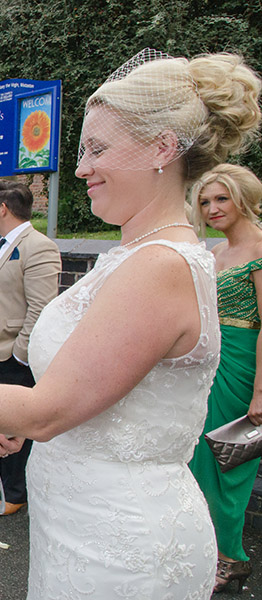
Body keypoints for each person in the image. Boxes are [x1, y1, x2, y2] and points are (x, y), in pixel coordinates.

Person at [0, 50, 262, 597]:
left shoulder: (159, 266)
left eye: (98, 149)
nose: (81, 167)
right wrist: (12, 421)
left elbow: (49, 409)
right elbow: (85, 390)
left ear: (162, 148)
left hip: (121, 547)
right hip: (78, 528)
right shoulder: (136, 254)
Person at [0, 180, 61, 515]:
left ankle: (13, 493)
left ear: (2, 207)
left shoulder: (38, 246)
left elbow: (41, 307)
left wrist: (19, 353)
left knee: (12, 430)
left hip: (9, 359)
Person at [188, 163, 262, 593]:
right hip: (210, 366)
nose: (212, 208)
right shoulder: (213, 253)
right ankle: (214, 553)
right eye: (205, 201)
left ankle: (231, 558)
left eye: (221, 198)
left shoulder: (259, 248)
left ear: (243, 198)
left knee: (228, 465)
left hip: (244, 366)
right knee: (199, 459)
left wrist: (259, 392)